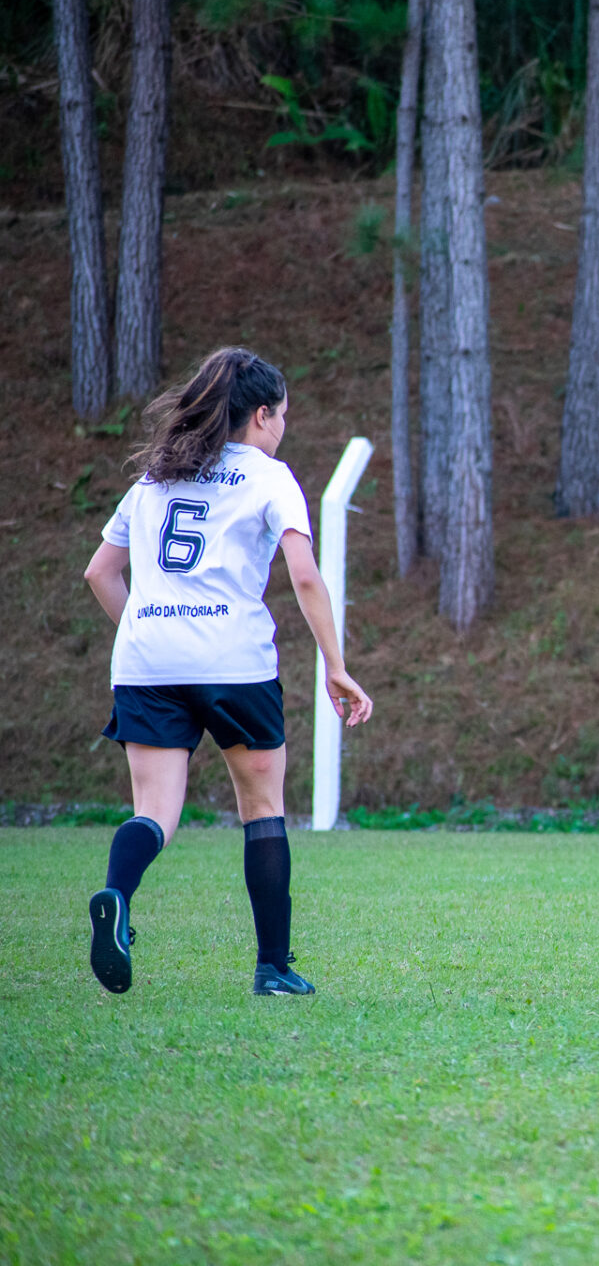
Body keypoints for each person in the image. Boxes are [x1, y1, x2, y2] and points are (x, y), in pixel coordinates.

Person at [81, 347, 373, 996]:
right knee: (261, 807)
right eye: (283, 416)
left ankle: (116, 896)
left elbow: (99, 573)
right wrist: (336, 664)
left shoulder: (155, 478)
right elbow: (302, 574)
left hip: (147, 659)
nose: (284, 428)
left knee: (154, 812)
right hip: (233, 662)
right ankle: (273, 969)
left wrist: (147, 629)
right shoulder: (269, 477)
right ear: (261, 415)